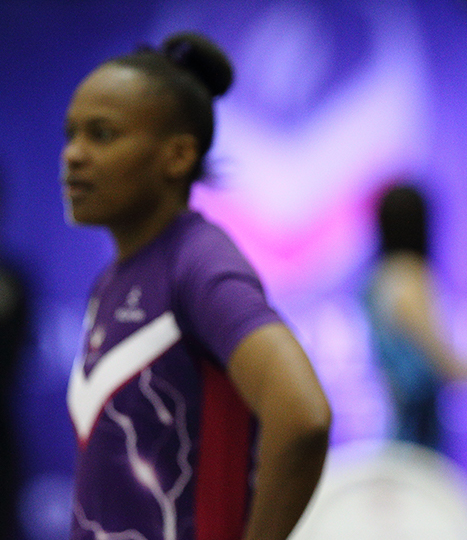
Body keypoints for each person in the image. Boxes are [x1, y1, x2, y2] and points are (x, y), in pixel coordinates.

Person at [61, 32, 331, 540]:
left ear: (178, 155)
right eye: (70, 133)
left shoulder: (199, 264)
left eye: (101, 134)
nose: (73, 155)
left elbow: (302, 415)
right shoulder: (113, 278)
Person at [365, 184, 461, 450]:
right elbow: (434, 351)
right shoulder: (412, 276)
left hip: (395, 405)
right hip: (419, 415)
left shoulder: (377, 278)